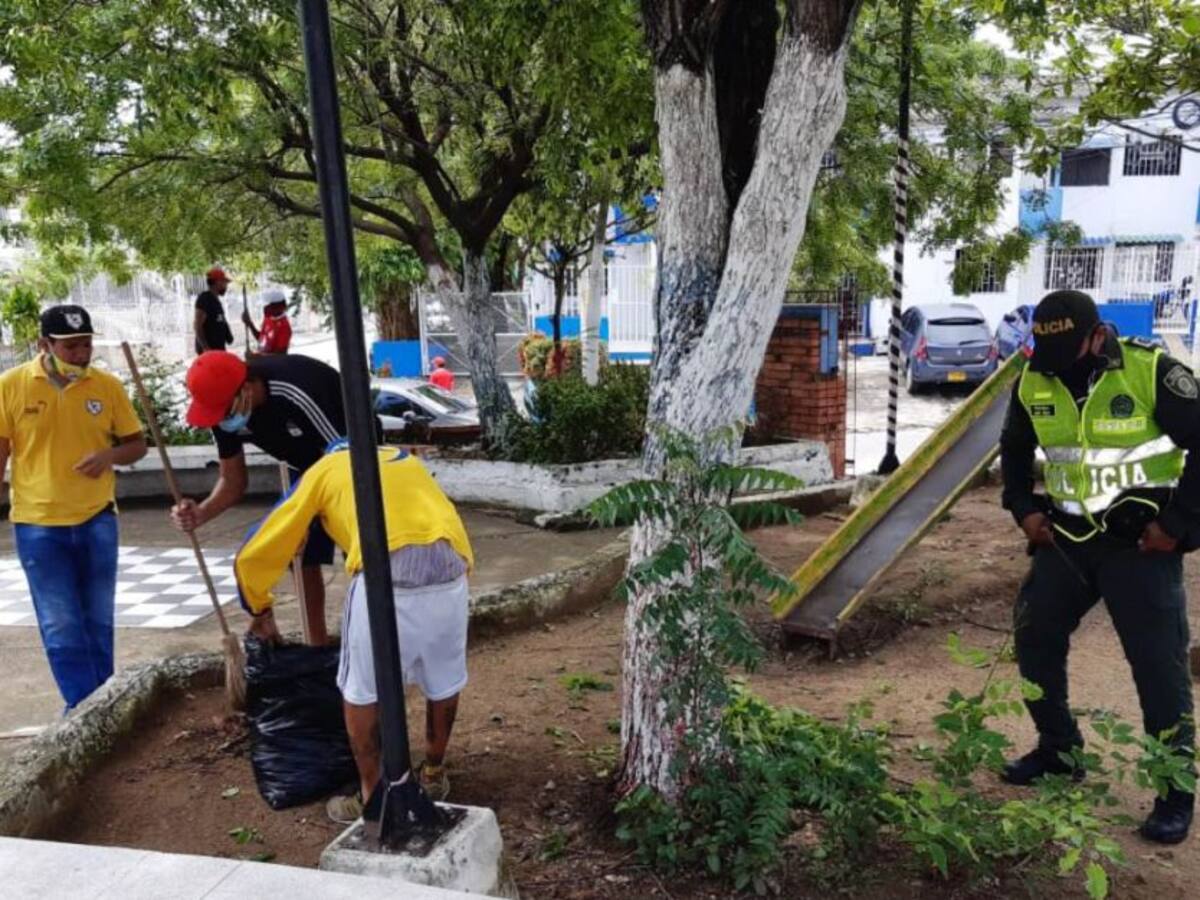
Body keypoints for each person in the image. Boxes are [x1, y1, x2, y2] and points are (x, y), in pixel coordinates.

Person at [1000, 289, 1199, 844]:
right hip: (1066, 539)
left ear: (1096, 335)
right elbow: (1014, 449)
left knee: (1158, 666)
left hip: (1140, 546)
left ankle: (1175, 790)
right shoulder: (1036, 376)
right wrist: (1023, 510)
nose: (1058, 369)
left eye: (1070, 353)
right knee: (1034, 633)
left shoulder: (1148, 370)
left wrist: (1179, 526)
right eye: (1049, 354)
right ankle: (1059, 750)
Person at [233, 442, 472, 823]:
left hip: (385, 574)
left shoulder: (324, 470)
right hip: (452, 568)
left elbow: (259, 545)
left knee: (360, 690)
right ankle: (433, 773)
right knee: (443, 678)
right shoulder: (404, 460)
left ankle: (373, 795)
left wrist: (257, 606)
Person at [0, 305, 147, 709]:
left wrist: (108, 456)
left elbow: (136, 444)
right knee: (60, 623)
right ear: (44, 345)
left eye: (86, 344)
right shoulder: (11, 386)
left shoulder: (107, 386)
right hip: (38, 524)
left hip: (97, 518)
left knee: (98, 619)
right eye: (71, 347)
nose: (82, 354)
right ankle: (84, 709)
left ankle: (103, 706)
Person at [174, 350, 354, 645]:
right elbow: (233, 481)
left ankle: (375, 644)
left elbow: (346, 461)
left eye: (224, 411)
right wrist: (201, 513)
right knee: (292, 553)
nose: (221, 420)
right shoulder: (224, 413)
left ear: (246, 388)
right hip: (306, 469)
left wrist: (314, 509)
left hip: (355, 460)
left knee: (361, 554)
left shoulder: (295, 390)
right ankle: (316, 645)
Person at [194, 266, 235, 355]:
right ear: (218, 282)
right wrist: (206, 348)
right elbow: (197, 325)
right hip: (209, 353)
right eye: (225, 283)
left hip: (218, 350)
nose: (226, 286)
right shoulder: (205, 299)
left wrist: (228, 336)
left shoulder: (216, 301)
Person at [242, 289, 293, 355]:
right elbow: (261, 339)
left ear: (281, 306)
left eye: (271, 305)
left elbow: (280, 355)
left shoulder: (284, 327)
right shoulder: (268, 319)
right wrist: (249, 323)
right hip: (263, 360)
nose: (266, 307)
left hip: (272, 364)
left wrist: (257, 357)